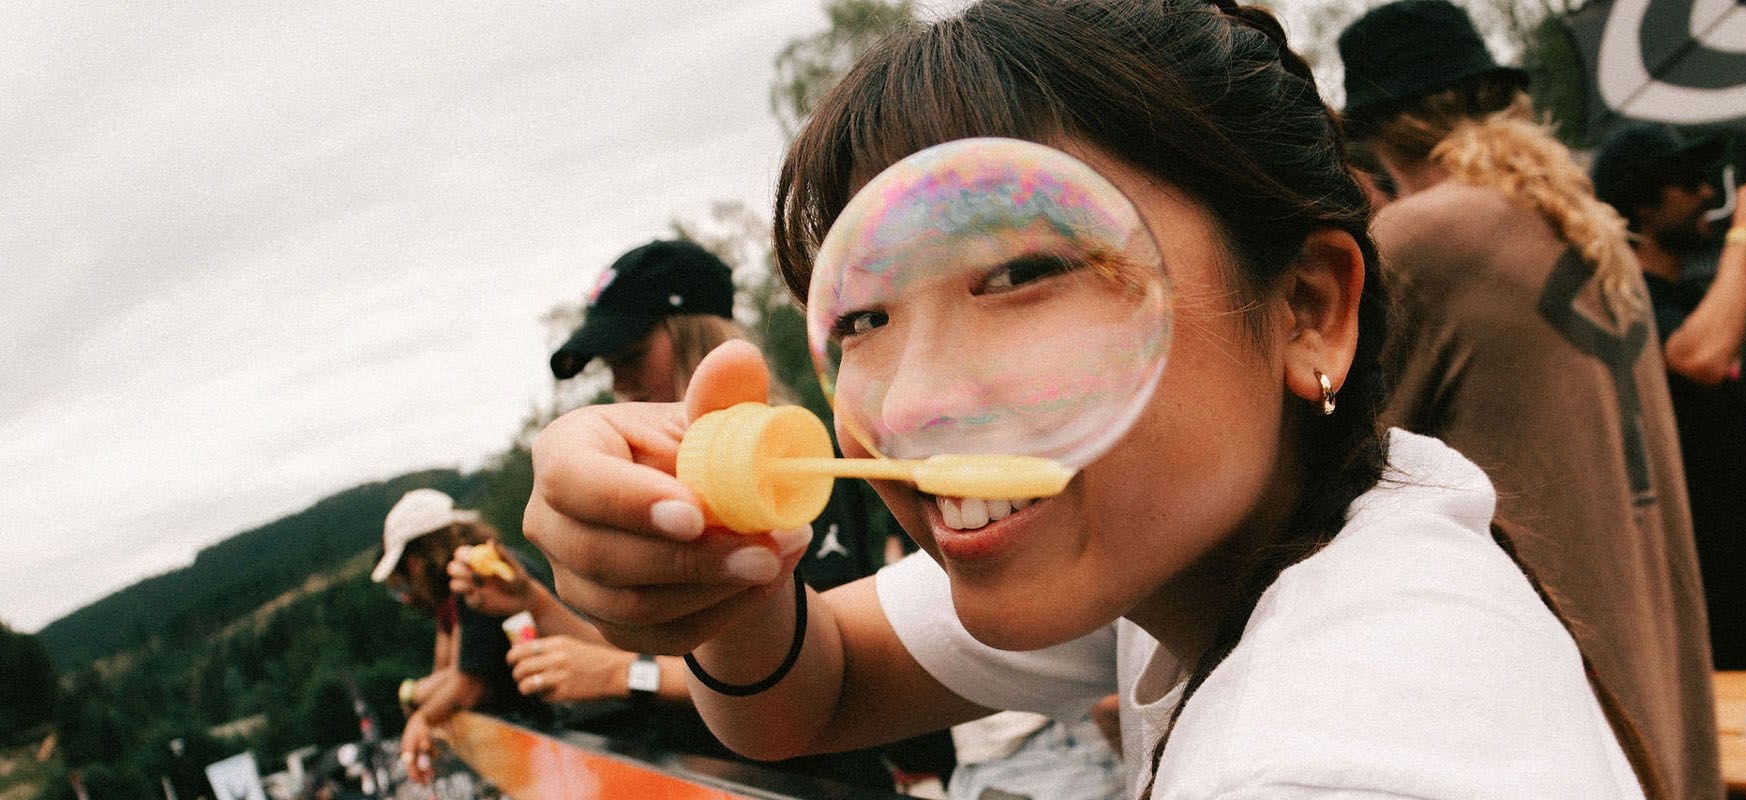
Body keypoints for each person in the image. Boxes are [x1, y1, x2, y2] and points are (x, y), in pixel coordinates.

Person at [524, 2, 1645, 798]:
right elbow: (806, 695)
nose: (908, 401)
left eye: (1021, 274)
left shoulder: (1337, 743)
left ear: (1307, 306)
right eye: (861, 317)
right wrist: (729, 583)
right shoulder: (1221, 548)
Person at [1337, 2, 1716, 797]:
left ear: (1377, 137)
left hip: (1544, 668)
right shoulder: (1583, 219)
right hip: (1647, 650)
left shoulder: (1424, 237)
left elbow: (1337, 466)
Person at [547, 239, 954, 791]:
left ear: (698, 336)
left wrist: (628, 676)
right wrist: (534, 599)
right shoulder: (661, 479)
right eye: (610, 366)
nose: (619, 383)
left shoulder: (791, 466)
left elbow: (822, 664)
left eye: (632, 355)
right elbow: (645, 636)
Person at [1589, 122, 1746, 670]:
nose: (1707, 194)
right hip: (1703, 550)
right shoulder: (1626, 296)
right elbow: (1700, 358)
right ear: (1643, 206)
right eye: (1687, 183)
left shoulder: (1683, 291)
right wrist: (1742, 233)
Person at [370, 488, 550, 785]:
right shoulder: (486, 563)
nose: (409, 591)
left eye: (405, 579)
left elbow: (471, 684)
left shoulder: (475, 578)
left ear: (414, 564)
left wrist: (421, 718)